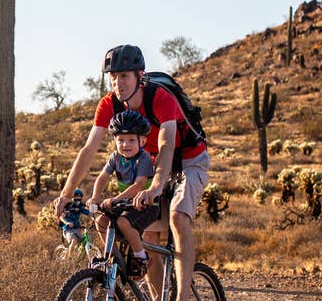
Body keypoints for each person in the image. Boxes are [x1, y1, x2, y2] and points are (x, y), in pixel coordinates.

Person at [54, 44, 209, 301]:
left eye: (124, 75)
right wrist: (66, 193)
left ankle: (182, 297)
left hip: (190, 160)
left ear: (140, 75)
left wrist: (156, 186)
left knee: (179, 217)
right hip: (154, 164)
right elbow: (89, 148)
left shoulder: (160, 98)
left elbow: (166, 144)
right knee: (147, 235)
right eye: (113, 77)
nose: (117, 82)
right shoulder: (109, 105)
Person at [89, 110, 160, 280]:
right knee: (101, 221)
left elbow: (139, 185)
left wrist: (114, 200)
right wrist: (95, 196)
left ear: (142, 141)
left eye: (131, 140)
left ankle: (141, 257)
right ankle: (114, 258)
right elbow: (102, 177)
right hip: (126, 204)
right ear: (114, 141)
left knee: (123, 221)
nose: (125, 144)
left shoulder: (143, 159)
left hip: (147, 205)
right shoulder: (115, 157)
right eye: (120, 140)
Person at [59, 188, 91, 257]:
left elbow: (88, 213)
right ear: (72, 198)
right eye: (75, 199)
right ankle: (69, 257)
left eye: (79, 199)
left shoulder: (81, 207)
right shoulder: (68, 206)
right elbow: (61, 217)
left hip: (77, 228)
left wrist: (94, 217)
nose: (77, 201)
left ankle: (80, 258)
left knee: (83, 242)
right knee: (74, 240)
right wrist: (66, 222)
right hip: (68, 229)